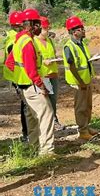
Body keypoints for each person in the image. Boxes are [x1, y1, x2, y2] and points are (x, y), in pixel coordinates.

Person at [5, 9, 55, 155]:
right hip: (32, 86)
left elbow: (10, 63)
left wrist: (19, 81)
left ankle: (33, 146)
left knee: (33, 118)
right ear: (31, 25)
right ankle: (47, 150)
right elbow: (31, 70)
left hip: (24, 87)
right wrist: (41, 86)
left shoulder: (20, 39)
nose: (41, 27)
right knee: (47, 114)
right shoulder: (27, 42)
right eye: (38, 24)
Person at [62, 16, 98, 140]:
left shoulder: (81, 44)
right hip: (79, 82)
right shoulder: (69, 46)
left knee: (88, 106)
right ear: (73, 31)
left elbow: (83, 62)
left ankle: (86, 127)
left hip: (86, 80)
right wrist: (81, 82)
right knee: (81, 107)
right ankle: (82, 131)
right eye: (80, 28)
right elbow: (72, 66)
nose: (83, 30)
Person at [34, 16, 64, 130]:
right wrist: (44, 62)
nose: (48, 30)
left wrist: (56, 59)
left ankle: (54, 120)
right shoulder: (34, 41)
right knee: (45, 101)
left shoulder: (50, 41)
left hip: (53, 74)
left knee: (53, 99)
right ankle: (47, 123)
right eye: (46, 28)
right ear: (40, 28)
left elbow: (53, 54)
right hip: (43, 75)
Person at [3, 11, 29, 141]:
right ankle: (27, 133)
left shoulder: (15, 36)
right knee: (26, 105)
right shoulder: (14, 39)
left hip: (19, 76)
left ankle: (28, 132)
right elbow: (12, 60)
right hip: (18, 77)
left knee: (26, 104)